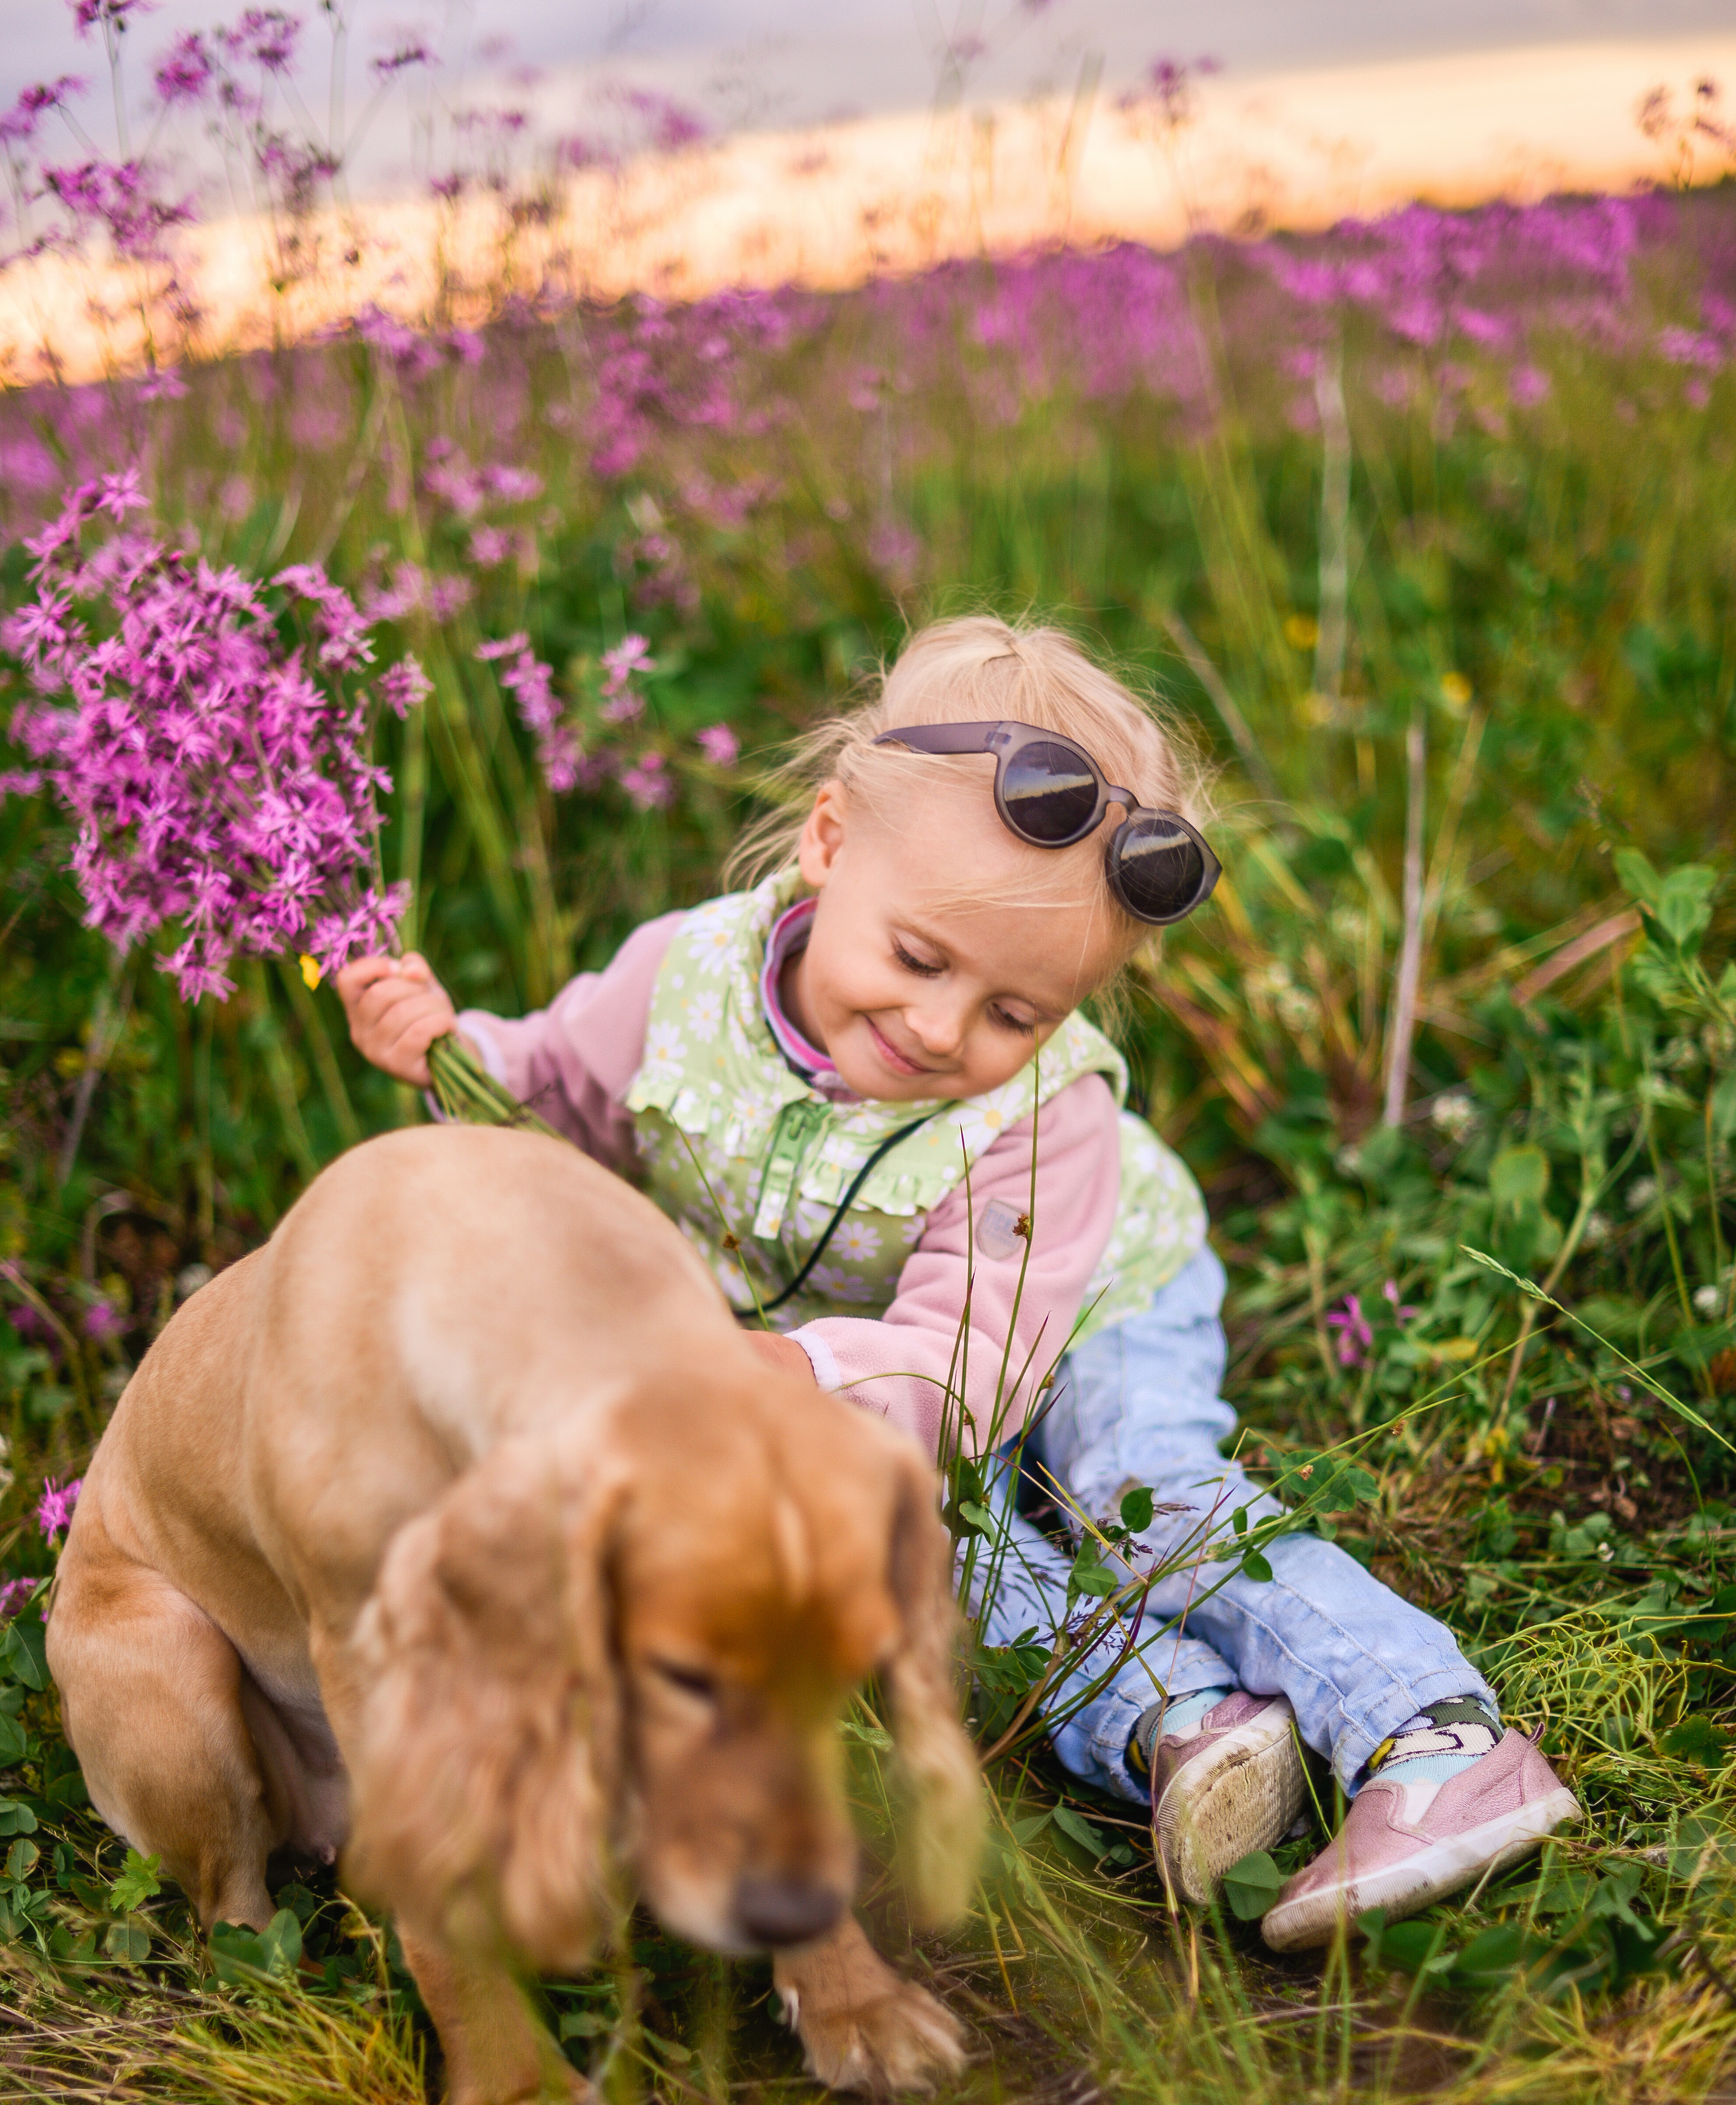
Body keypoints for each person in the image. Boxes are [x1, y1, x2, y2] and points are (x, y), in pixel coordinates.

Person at [339, 614, 1578, 1948]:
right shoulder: (680, 975)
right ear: (825, 844)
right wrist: (443, 1046)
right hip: (875, 1351)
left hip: (1085, 1293)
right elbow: (564, 1091)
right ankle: (1188, 1720)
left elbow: (970, 1371)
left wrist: (802, 1369)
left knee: (1128, 1487)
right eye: (919, 959)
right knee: (924, 1542)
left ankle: (1429, 1729)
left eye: (1014, 1014)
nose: (940, 1031)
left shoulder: (1048, 1124)